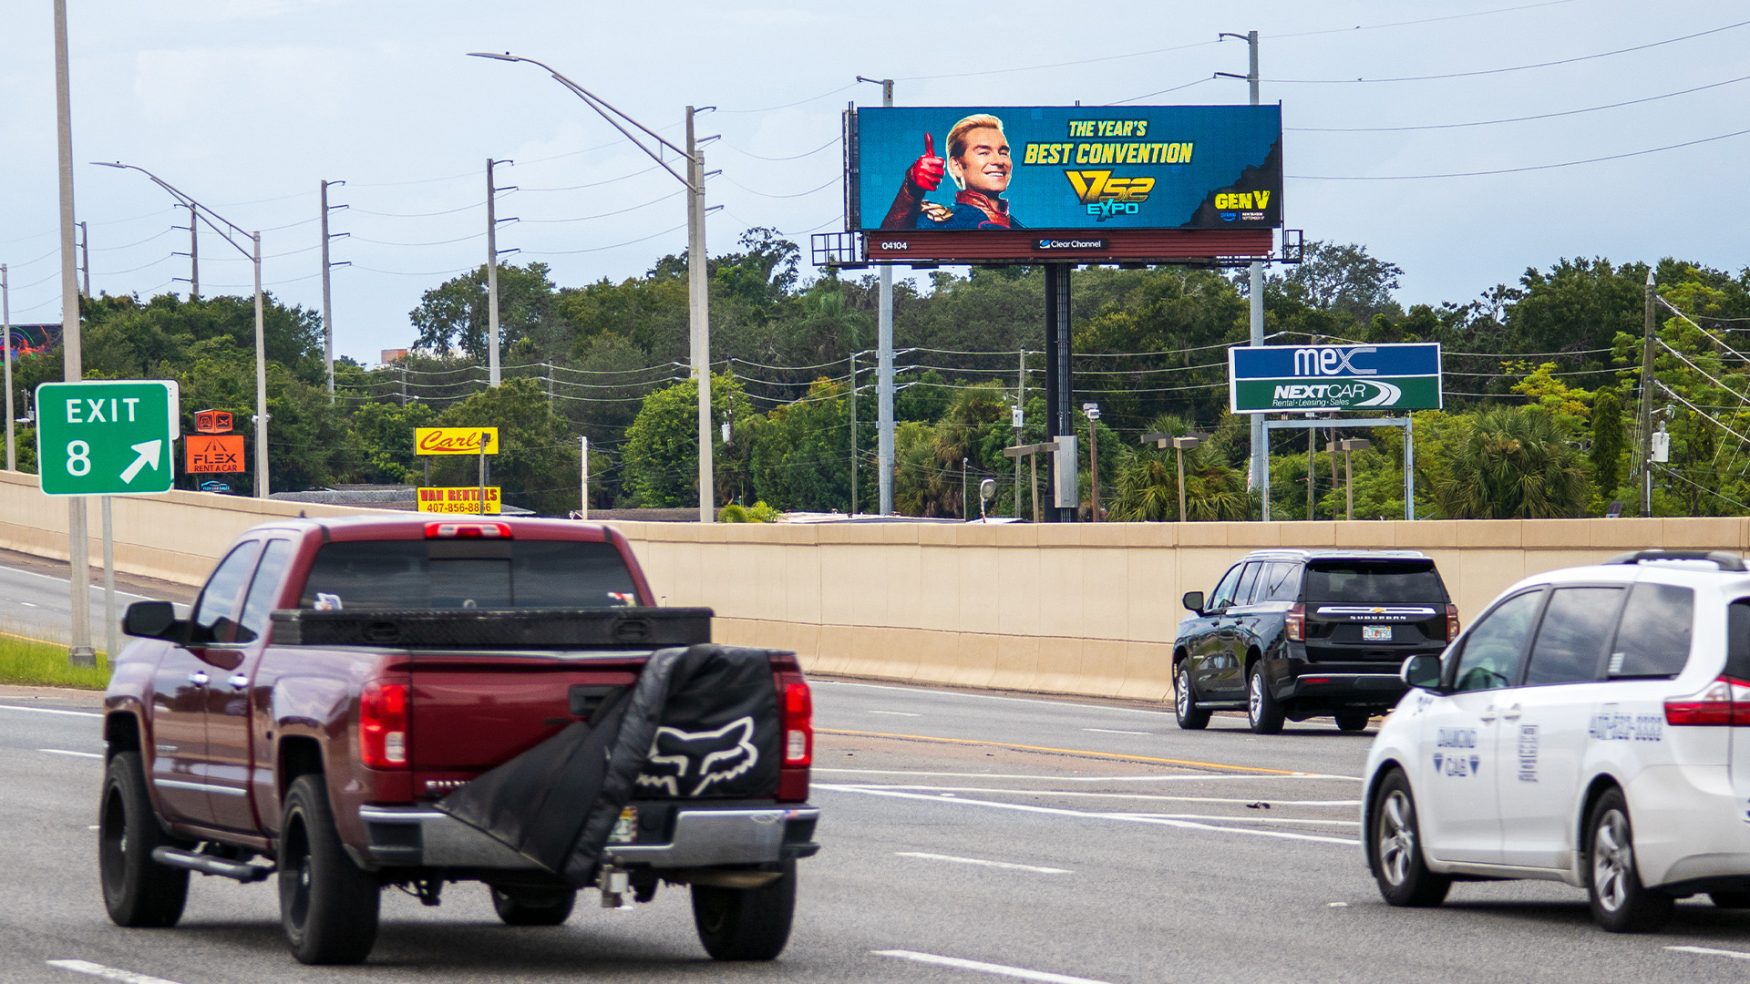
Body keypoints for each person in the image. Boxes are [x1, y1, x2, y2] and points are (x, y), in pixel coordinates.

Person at [879, 113, 1022, 230]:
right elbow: (889, 242)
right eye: (984, 153)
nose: (999, 161)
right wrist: (912, 188)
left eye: (1003, 153)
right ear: (956, 165)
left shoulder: (1022, 229)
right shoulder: (939, 222)